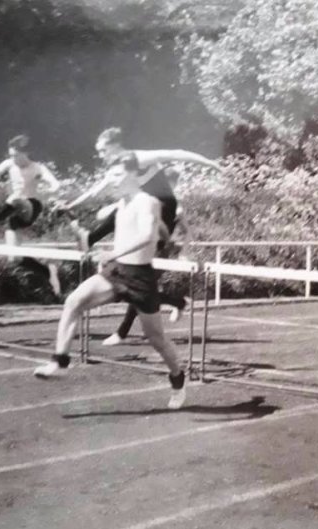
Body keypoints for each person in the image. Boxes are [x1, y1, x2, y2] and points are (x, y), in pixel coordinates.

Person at [33, 152, 188, 409]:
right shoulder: (122, 204)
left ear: (134, 174)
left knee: (156, 338)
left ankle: (178, 379)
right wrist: (165, 235)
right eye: (109, 175)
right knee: (73, 302)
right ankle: (60, 361)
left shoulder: (147, 201)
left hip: (140, 278)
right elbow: (156, 230)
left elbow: (147, 236)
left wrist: (119, 250)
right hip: (116, 272)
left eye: (116, 175)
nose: (111, 181)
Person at [57, 127, 221, 343]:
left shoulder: (141, 157)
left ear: (115, 145)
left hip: (164, 208)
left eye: (103, 150)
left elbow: (178, 153)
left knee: (139, 264)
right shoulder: (118, 169)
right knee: (137, 270)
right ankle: (174, 303)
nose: (101, 155)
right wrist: (69, 204)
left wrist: (211, 163)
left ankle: (92, 239)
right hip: (146, 211)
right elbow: (95, 191)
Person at [0, 134, 63, 295]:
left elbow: (55, 183)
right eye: (11, 155)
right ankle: (48, 272)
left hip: (32, 207)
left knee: (16, 199)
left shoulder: (37, 168)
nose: (13, 159)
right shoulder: (9, 164)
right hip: (14, 214)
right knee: (14, 258)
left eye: (16, 155)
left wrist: (52, 189)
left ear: (25, 153)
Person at [101, 204, 193, 346]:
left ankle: (121, 333)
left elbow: (188, 232)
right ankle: (178, 302)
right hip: (142, 250)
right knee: (142, 291)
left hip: (160, 252)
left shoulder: (175, 208)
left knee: (139, 289)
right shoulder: (144, 202)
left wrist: (184, 253)